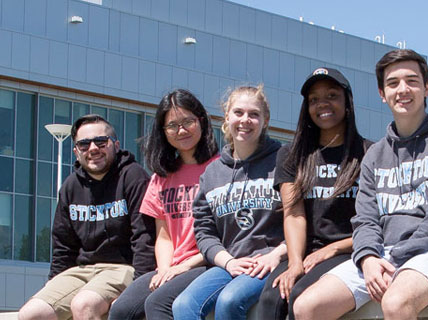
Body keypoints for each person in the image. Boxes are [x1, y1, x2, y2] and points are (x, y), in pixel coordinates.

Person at [293, 49, 428, 320]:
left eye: (412, 81)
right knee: (307, 306)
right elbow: (365, 219)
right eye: (393, 83)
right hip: (385, 255)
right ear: (382, 93)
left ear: (426, 87)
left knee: (395, 302)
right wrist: (368, 258)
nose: (402, 89)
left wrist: (395, 257)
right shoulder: (375, 155)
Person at [256, 67, 371, 320]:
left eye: (331, 95)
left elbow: (379, 222)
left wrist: (334, 249)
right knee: (270, 299)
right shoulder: (292, 154)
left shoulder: (370, 153)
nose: (322, 104)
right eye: (314, 100)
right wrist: (295, 261)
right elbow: (293, 213)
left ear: (347, 102)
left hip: (348, 250)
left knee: (299, 294)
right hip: (305, 251)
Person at [18, 114, 156, 320]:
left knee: (84, 304)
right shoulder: (70, 186)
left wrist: (138, 290)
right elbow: (63, 245)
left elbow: (144, 237)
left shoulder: (133, 176)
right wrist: (56, 282)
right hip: (82, 270)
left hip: (122, 267)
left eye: (101, 142)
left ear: (115, 145)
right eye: (84, 144)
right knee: (31, 314)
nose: (93, 149)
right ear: (76, 151)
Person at [172, 85, 286, 320]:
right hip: (230, 263)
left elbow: (302, 216)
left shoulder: (283, 160)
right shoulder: (213, 173)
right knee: (183, 305)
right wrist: (228, 262)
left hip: (267, 260)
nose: (246, 120)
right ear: (227, 117)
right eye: (238, 112)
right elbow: (204, 231)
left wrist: (277, 254)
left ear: (265, 121)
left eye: (254, 114)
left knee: (230, 301)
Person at [108, 89, 219, 320]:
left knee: (158, 304)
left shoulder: (220, 167)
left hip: (207, 262)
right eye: (172, 125)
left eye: (188, 121)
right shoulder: (162, 176)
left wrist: (183, 267)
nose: (181, 130)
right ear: (163, 132)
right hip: (172, 266)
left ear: (202, 121)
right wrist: (166, 269)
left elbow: (225, 234)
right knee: (120, 310)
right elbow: (164, 236)